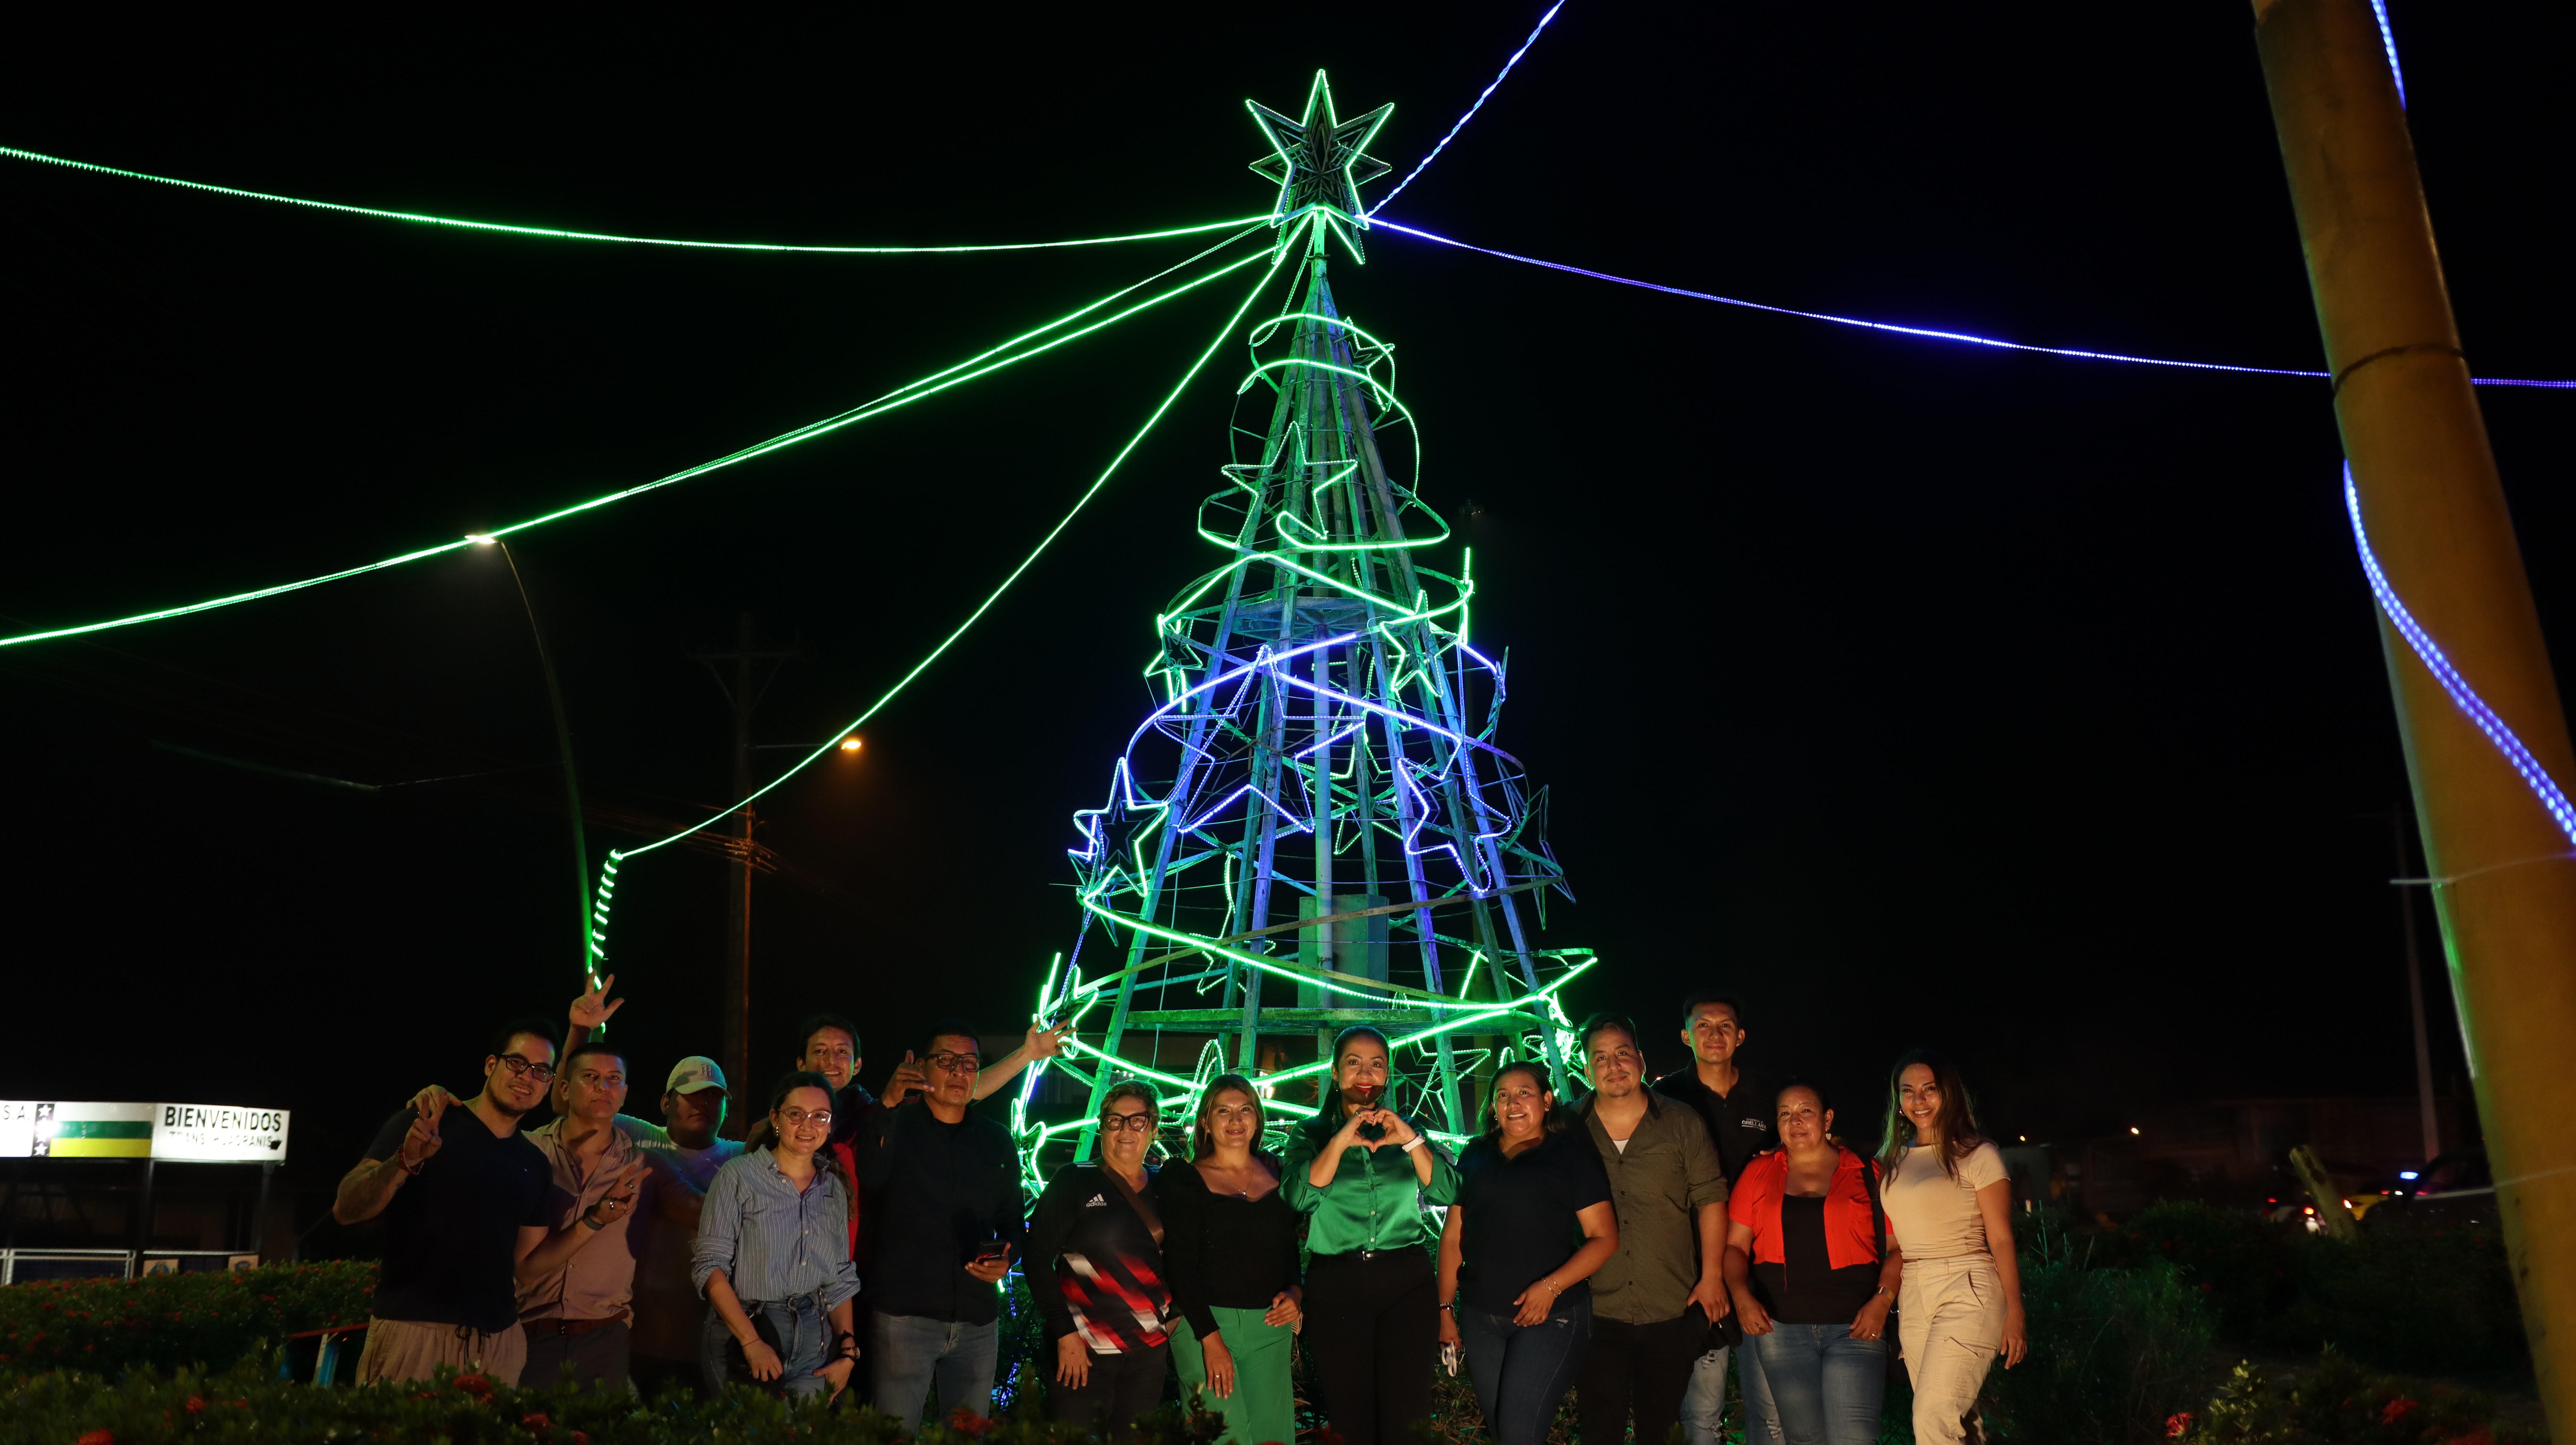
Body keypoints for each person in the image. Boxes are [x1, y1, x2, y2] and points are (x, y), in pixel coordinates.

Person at [335, 1018, 559, 1385]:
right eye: (517, 1063)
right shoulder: (426, 1121)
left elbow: (526, 1265)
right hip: (414, 1333)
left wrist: (597, 1219)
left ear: (549, 1084)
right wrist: (404, 1161)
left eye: (541, 1071)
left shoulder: (535, 1164)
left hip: (499, 1342)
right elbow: (346, 1209)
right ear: (491, 1065)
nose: (527, 1077)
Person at [1282, 1025, 1461, 1445]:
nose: (1366, 1074)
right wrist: (1341, 1140)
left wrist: (1411, 1140)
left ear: (1388, 1074)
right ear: (1335, 1072)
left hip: (1406, 1284)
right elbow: (1298, 1198)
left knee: (1407, 1418)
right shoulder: (1310, 1135)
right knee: (1350, 1420)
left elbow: (1448, 1192)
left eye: (1377, 1064)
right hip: (1336, 1286)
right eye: (1354, 1062)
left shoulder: (1408, 1129)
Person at [851, 1019, 1026, 1429]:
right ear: (922, 1066)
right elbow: (870, 1176)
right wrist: (888, 1103)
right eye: (946, 1060)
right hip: (904, 1316)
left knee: (968, 1434)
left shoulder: (997, 1139)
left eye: (970, 1063)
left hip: (977, 1316)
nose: (959, 1072)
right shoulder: (895, 1124)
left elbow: (1012, 1222)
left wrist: (1008, 1257)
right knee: (893, 1433)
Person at [1437, 1060, 1618, 1445]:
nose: (1513, 1103)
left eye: (1525, 1093)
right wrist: (1445, 1311)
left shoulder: (1568, 1155)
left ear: (1547, 1101)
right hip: (1481, 1319)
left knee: (1520, 1433)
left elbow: (1604, 1238)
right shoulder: (1475, 1154)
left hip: (1552, 1316)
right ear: (1493, 1107)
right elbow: (1453, 1237)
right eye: (1503, 1095)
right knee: (1504, 1434)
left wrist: (1551, 1287)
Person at [1571, 1014, 1730, 1445]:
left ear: (1641, 1060)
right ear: (1587, 1068)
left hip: (1670, 1307)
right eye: (1600, 1057)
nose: (1613, 1065)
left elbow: (1711, 1198)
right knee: (1598, 1431)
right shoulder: (1567, 1128)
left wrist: (1712, 1276)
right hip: (1595, 1309)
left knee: (1659, 1431)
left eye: (1623, 1052)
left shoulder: (1682, 1122)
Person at [1723, 1081, 1901, 1445]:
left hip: (1855, 1326)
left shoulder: (1867, 1173)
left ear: (1827, 1119)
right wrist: (1741, 1298)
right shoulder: (1758, 1173)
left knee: (1853, 1438)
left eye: (1806, 1111)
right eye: (1785, 1114)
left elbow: (1898, 1250)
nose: (1796, 1121)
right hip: (1781, 1329)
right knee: (1804, 1439)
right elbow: (1735, 1248)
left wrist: (1882, 1302)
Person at [1878, 1050, 2027, 1445]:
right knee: (1960, 1419)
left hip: (1968, 1284)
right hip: (1914, 1292)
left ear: (1949, 1093)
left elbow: (2001, 1238)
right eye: (1908, 1091)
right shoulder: (1892, 1159)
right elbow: (1891, 1238)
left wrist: (2015, 1310)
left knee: (1933, 1416)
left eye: (1930, 1089)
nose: (1919, 1100)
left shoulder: (1977, 1154)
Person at [1654, 992, 1780, 1445]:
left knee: (1771, 1412)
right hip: (1693, 1267)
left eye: (1725, 1025)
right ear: (1685, 1035)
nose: (1714, 1034)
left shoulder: (1771, 1096)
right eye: (1703, 1025)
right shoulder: (1664, 1098)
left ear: (1740, 1036)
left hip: (1762, 1265)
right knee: (1701, 1410)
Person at [691, 1071, 861, 1402]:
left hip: (814, 1340)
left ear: (830, 1125)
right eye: (796, 1114)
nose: (807, 1125)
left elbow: (839, 1278)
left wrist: (848, 1353)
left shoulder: (832, 1188)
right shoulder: (738, 1177)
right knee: (754, 1429)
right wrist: (751, 1342)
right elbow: (710, 1266)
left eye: (820, 1116)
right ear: (775, 1119)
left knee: (804, 1429)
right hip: (749, 1331)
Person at [1158, 1074, 1303, 1445]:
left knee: (1273, 1438)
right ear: (1205, 1122)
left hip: (1269, 1326)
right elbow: (1179, 1265)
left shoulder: (1278, 1172)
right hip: (1204, 1324)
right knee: (1222, 1436)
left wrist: (1295, 1293)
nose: (1236, 1120)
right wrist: (1211, 1340)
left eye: (1245, 1110)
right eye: (1223, 1111)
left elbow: (1288, 1249)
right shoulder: (1185, 1178)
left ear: (1258, 1119)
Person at [1029, 1081, 1175, 1436]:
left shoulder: (1168, 1187)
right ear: (1102, 1126)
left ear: (1154, 1129)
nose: (1125, 1130)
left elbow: (1189, 1257)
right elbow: (1035, 1259)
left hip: (1147, 1359)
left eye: (1138, 1121)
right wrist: (1065, 1333)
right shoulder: (1074, 1180)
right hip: (1081, 1354)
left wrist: (1177, 1315)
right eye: (1115, 1121)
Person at [514, 1039, 655, 1392]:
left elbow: (699, 1204)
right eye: (590, 1076)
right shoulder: (528, 1150)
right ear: (564, 1089)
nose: (603, 1087)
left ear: (625, 1093)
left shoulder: (644, 1166)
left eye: (614, 1079)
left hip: (604, 1337)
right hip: (527, 1332)